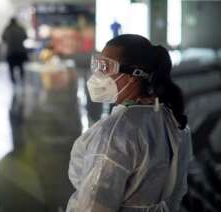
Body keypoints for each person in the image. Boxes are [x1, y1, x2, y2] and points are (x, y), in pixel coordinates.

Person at [66, 34, 193, 212]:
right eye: (97, 65)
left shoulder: (115, 133)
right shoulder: (173, 121)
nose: (97, 74)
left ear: (134, 75)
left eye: (106, 67)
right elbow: (178, 191)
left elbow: (94, 205)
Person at [2, 17, 28, 84]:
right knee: (21, 67)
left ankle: (13, 83)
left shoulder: (7, 29)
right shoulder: (21, 28)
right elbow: (25, 37)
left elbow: (3, 38)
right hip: (21, 52)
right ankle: (22, 81)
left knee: (11, 69)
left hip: (11, 52)